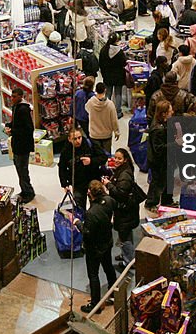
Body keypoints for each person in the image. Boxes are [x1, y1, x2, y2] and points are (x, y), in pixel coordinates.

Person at [74, 180, 117, 313]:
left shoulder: (91, 213)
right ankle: (114, 293)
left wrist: (78, 223)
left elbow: (87, 232)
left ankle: (95, 304)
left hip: (94, 248)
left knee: (93, 274)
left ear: (90, 193)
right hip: (107, 241)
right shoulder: (109, 200)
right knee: (108, 268)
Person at [104, 148, 140, 266]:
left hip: (126, 212)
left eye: (119, 158)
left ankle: (129, 261)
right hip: (125, 211)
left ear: (125, 160)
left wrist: (108, 185)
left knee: (125, 236)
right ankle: (126, 255)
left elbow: (120, 194)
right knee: (125, 234)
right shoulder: (121, 170)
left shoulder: (125, 175)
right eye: (115, 157)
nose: (116, 160)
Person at [59, 127, 107, 215]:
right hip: (78, 183)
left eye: (79, 137)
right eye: (75, 139)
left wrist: (91, 161)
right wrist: (64, 184)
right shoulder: (66, 151)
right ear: (69, 139)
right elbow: (62, 167)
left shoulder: (90, 144)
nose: (78, 141)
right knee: (79, 207)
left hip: (93, 180)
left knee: (98, 206)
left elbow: (103, 157)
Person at [6, 87, 36, 203]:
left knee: (23, 170)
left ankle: (29, 192)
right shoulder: (16, 107)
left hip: (23, 146)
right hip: (17, 144)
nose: (12, 99)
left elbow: (29, 129)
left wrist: (13, 131)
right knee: (19, 169)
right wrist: (9, 125)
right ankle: (24, 190)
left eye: (14, 97)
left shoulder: (23, 109)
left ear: (20, 96)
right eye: (11, 96)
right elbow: (16, 123)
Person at [146, 101, 172, 210]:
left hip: (165, 159)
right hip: (158, 161)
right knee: (157, 182)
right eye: (170, 111)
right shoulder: (157, 129)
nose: (172, 112)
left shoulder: (163, 124)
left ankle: (167, 201)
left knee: (167, 180)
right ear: (164, 113)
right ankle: (151, 203)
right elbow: (159, 149)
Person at [99, 33, 128, 116]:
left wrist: (103, 74)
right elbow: (124, 63)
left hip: (107, 75)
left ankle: (106, 110)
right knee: (118, 93)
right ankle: (118, 111)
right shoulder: (119, 51)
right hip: (118, 76)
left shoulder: (104, 50)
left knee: (108, 93)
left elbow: (100, 63)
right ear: (116, 41)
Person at [85, 83, 119, 154]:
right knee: (106, 155)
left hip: (94, 134)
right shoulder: (110, 104)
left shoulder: (91, 102)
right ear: (105, 90)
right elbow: (114, 119)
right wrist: (116, 131)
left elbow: (86, 109)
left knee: (96, 155)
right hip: (106, 134)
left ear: (95, 90)